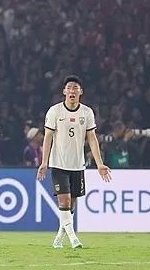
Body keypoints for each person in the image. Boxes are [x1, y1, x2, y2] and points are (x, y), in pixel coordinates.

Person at [37, 75, 111, 249]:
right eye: (69, 88)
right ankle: (73, 238)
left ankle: (59, 237)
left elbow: (92, 138)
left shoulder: (87, 112)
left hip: (78, 165)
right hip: (58, 164)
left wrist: (99, 164)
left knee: (71, 205)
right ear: (64, 91)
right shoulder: (55, 111)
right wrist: (44, 162)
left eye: (75, 88)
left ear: (80, 92)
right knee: (64, 203)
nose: (72, 91)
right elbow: (48, 137)